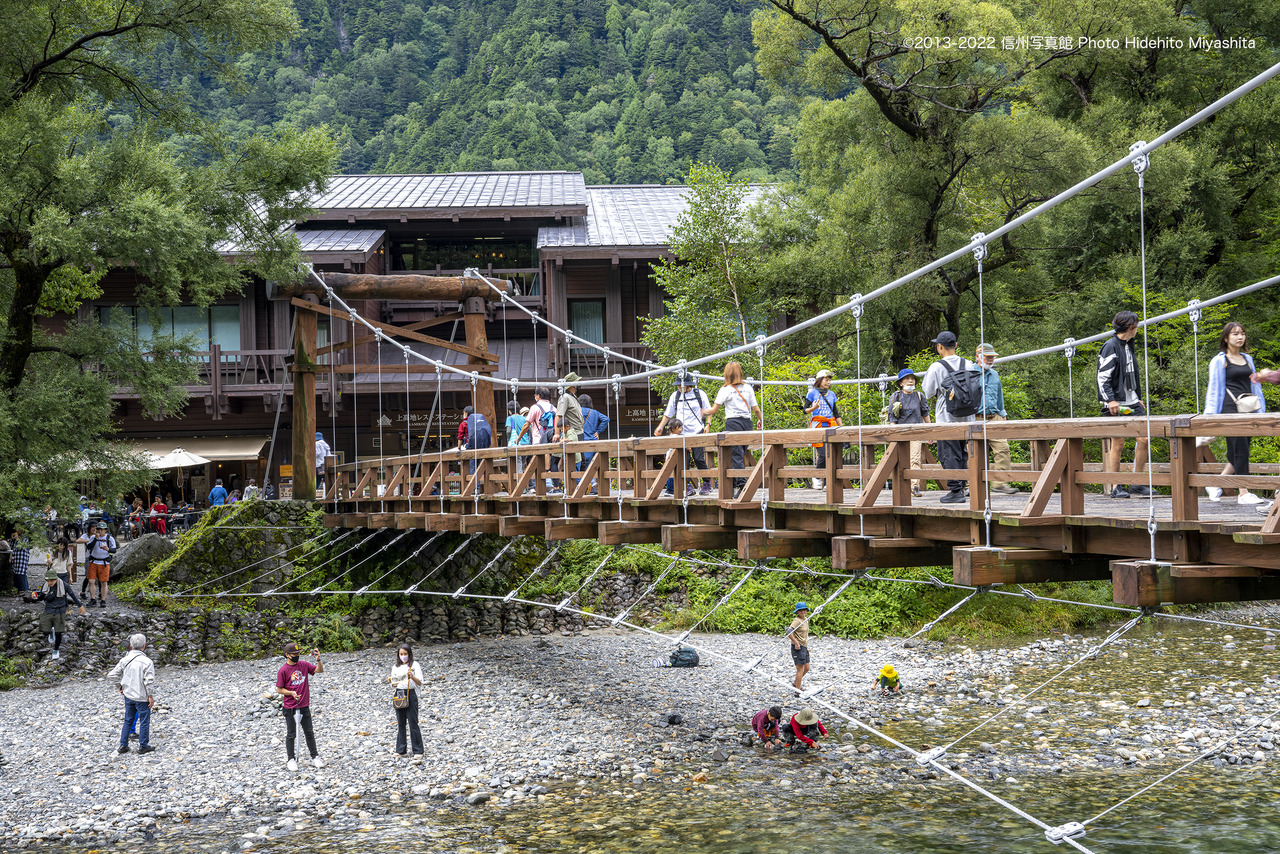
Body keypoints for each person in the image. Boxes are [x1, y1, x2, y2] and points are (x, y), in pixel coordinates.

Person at [1204, 322, 1267, 505]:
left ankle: (1216, 484)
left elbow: (1256, 385)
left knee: (1237, 452)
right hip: (1230, 409)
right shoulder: (1219, 360)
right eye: (1235, 334)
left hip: (1248, 408)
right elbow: (1214, 389)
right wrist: (1210, 418)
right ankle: (1243, 492)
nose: (1240, 337)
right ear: (1226, 338)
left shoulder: (1248, 359)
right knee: (1241, 450)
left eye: (1242, 334)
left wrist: (1260, 410)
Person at [1097, 311, 1151, 498]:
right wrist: (1110, 400)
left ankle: (1137, 483)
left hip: (1132, 401)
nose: (1138, 328)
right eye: (1136, 325)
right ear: (1130, 327)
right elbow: (1102, 377)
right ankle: (1115, 486)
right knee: (1118, 443)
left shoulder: (1129, 345)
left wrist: (1138, 396)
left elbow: (1131, 373)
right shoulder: (1110, 347)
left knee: (1144, 439)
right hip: (1115, 402)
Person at [921, 331, 978, 504]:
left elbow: (928, 392)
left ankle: (955, 490)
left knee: (948, 453)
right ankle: (965, 486)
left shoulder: (937, 367)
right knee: (963, 452)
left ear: (940, 347)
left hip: (947, 417)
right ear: (956, 345)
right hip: (968, 417)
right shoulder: (968, 364)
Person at [702, 361, 763, 498]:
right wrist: (761, 420)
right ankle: (740, 483)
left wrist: (703, 411)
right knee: (740, 453)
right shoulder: (748, 388)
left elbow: (715, 409)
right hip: (747, 424)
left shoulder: (726, 389)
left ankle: (742, 486)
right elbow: (756, 408)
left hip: (733, 423)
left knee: (736, 455)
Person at [655, 370, 712, 495]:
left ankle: (707, 482)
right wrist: (660, 427)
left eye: (681, 385)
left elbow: (708, 410)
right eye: (678, 385)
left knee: (698, 458)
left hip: (697, 431)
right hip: (681, 434)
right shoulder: (675, 396)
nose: (679, 387)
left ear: (688, 385)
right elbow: (668, 414)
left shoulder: (699, 394)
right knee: (683, 460)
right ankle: (686, 486)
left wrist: (708, 424)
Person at [975, 343, 1018, 495]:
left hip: (995, 417)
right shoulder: (970, 373)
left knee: (1003, 449)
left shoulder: (994, 375)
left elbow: (999, 396)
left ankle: (1000, 483)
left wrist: (1003, 414)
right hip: (975, 418)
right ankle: (969, 485)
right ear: (978, 357)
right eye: (988, 357)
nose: (991, 360)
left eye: (992, 357)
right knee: (972, 453)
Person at [277, 642, 326, 771]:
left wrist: (318, 659)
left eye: (298, 654)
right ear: (287, 655)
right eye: (294, 654)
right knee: (291, 733)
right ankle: (291, 759)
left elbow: (319, 670)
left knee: (309, 732)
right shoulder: (283, 670)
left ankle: (315, 757)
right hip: (290, 707)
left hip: (304, 705)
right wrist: (290, 693)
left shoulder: (303, 665)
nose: (297, 656)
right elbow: (279, 689)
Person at [108, 633, 156, 754]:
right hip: (142, 696)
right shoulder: (147, 661)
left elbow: (112, 675)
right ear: (144, 646)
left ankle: (123, 745)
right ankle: (143, 745)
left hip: (128, 695)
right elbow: (149, 681)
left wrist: (119, 686)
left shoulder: (125, 659)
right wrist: (150, 696)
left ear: (130, 645)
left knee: (128, 720)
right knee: (144, 720)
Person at [887, 368, 931, 496]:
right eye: (907, 379)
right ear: (901, 382)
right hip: (901, 432)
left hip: (916, 432)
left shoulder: (919, 396)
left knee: (915, 458)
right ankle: (901, 487)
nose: (910, 381)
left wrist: (930, 432)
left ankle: (915, 486)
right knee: (900, 460)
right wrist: (894, 433)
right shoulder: (896, 396)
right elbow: (892, 417)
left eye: (912, 379)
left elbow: (925, 414)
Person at [30, 567, 88, 660]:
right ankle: (50, 631)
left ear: (56, 578)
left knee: (59, 632)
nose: (50, 582)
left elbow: (72, 595)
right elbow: (42, 597)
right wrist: (35, 597)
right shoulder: (45, 586)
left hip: (60, 609)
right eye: (48, 580)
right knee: (45, 632)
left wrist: (80, 606)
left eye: (52, 580)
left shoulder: (63, 585)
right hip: (49, 609)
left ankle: (56, 650)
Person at [804, 369, 843, 488]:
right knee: (823, 453)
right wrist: (814, 407)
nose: (828, 382)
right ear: (819, 380)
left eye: (829, 380)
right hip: (818, 424)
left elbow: (836, 413)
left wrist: (842, 427)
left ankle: (827, 482)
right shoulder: (812, 393)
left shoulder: (832, 394)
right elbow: (805, 410)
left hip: (830, 424)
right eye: (826, 380)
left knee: (831, 452)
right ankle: (817, 476)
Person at [387, 643, 424, 758]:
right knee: (401, 722)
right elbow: (394, 684)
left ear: (409, 654)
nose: (403, 656)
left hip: (410, 692)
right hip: (399, 693)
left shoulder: (415, 665)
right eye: (401, 654)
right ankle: (401, 749)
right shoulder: (395, 667)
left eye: (405, 654)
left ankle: (418, 750)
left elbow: (420, 682)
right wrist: (391, 681)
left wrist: (412, 676)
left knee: (413, 722)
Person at [551, 373, 585, 493]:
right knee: (575, 461)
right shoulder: (565, 397)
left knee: (580, 461)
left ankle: (581, 486)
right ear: (573, 384)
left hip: (579, 432)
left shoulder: (573, 397)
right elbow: (558, 415)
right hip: (572, 433)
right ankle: (576, 488)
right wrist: (557, 433)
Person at [78, 521, 117, 609]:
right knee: (91, 581)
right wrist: (96, 538)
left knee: (103, 582)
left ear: (105, 530)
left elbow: (114, 550)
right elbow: (89, 547)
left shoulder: (109, 538)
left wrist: (108, 549)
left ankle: (103, 600)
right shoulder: (92, 537)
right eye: (98, 529)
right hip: (93, 561)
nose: (99, 531)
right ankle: (93, 599)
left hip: (104, 563)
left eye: (101, 529)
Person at [786, 602, 811, 693]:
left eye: (804, 610)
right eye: (800, 610)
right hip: (798, 648)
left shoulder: (805, 619)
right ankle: (797, 691)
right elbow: (788, 631)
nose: (803, 611)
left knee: (807, 668)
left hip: (804, 647)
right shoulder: (797, 620)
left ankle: (795, 683)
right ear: (797, 612)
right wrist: (796, 643)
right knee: (800, 669)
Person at [461, 405, 493, 475]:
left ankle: (474, 485)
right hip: (482, 446)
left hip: (471, 447)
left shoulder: (464, 423)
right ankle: (482, 483)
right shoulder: (480, 420)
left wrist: (459, 447)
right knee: (481, 465)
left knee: (472, 467)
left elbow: (460, 436)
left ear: (466, 413)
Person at [661, 419, 686, 496]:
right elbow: (682, 443)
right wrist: (688, 447)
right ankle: (670, 490)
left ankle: (670, 489)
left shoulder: (672, 436)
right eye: (679, 427)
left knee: (671, 473)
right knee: (672, 473)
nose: (681, 429)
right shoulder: (675, 436)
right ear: (673, 429)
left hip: (671, 455)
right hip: (672, 456)